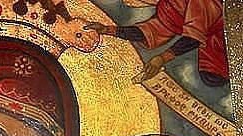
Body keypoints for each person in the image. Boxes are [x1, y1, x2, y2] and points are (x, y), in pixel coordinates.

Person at [86, 0, 229, 87]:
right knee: (211, 77)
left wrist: (161, 58)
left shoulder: (202, 3)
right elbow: (150, 30)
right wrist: (108, 30)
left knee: (213, 77)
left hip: (225, 32)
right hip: (210, 34)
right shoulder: (169, 5)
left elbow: (194, 37)